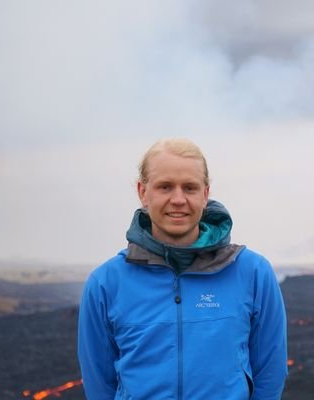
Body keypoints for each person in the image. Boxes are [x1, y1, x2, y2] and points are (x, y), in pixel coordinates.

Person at [78, 138, 287, 400]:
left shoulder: (253, 273)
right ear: (143, 192)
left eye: (189, 187)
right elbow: (99, 383)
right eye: (165, 187)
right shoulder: (105, 283)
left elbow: (270, 372)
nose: (178, 199)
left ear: (205, 194)